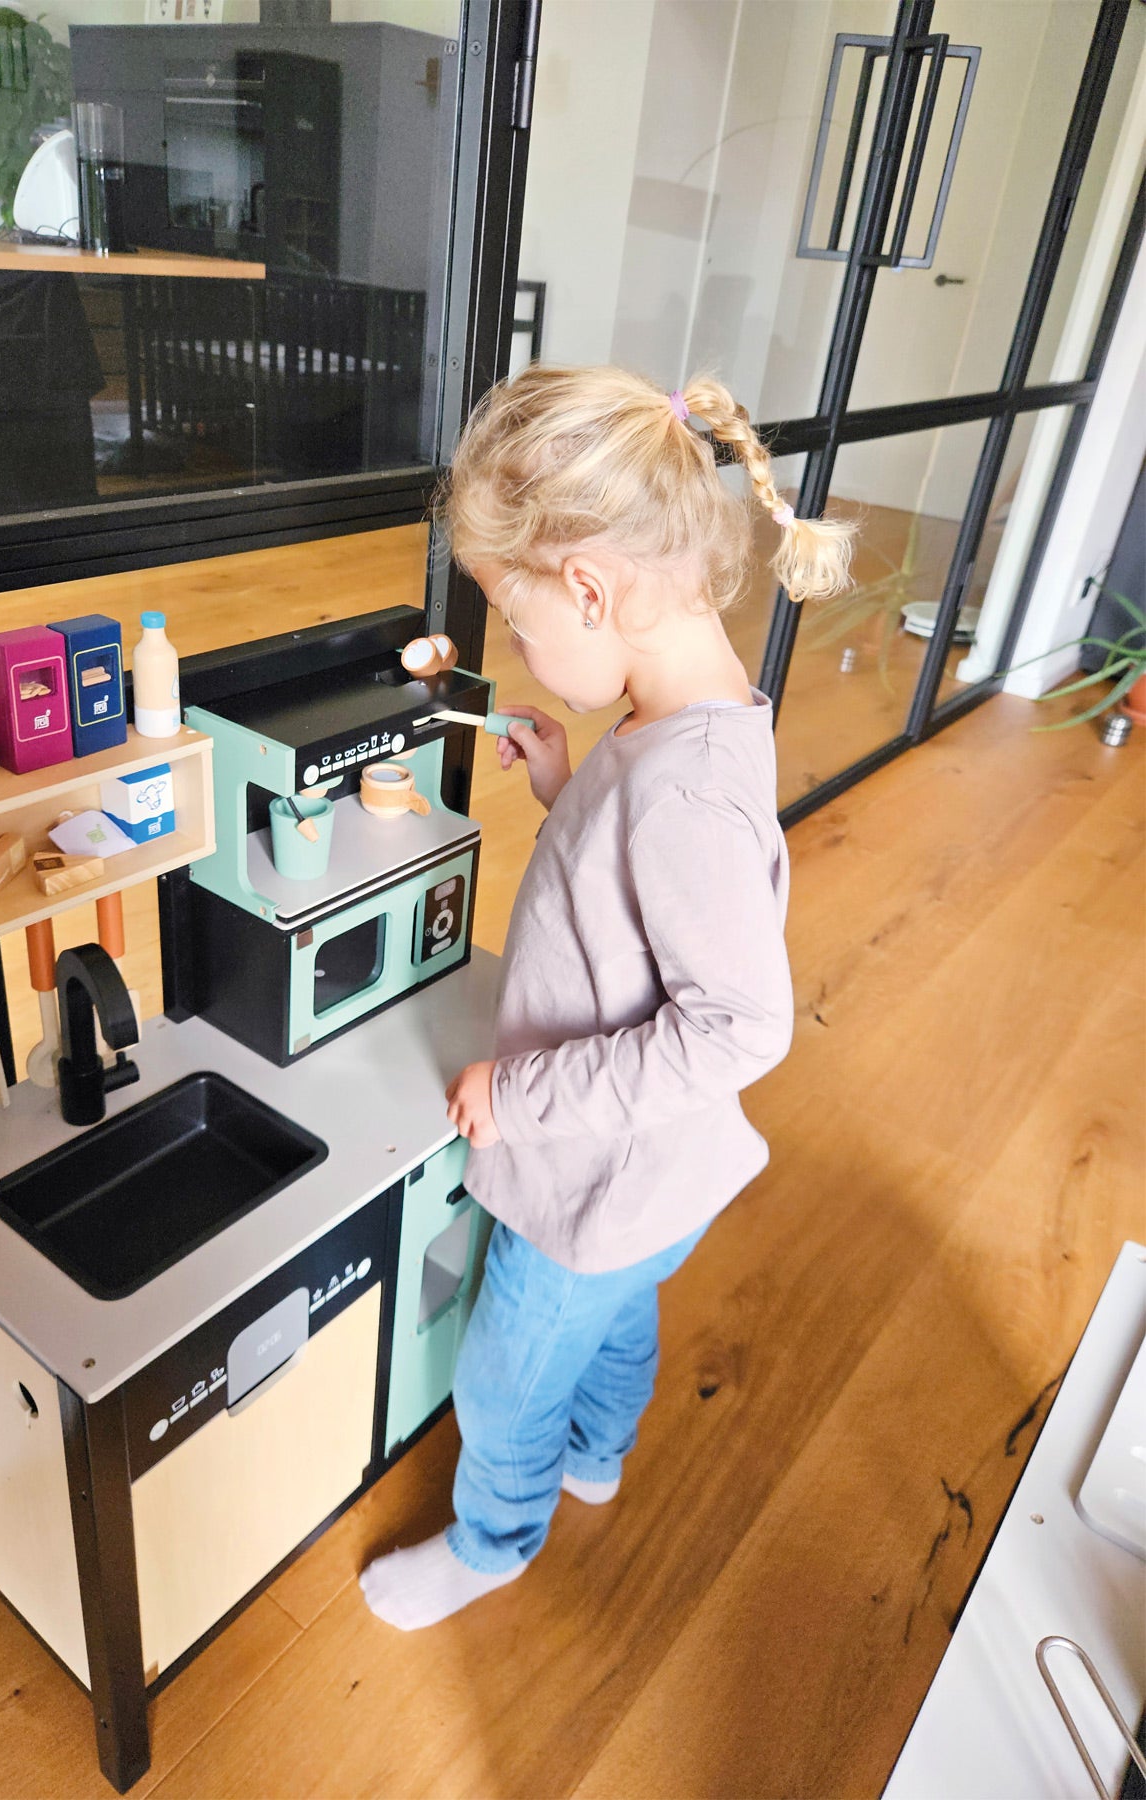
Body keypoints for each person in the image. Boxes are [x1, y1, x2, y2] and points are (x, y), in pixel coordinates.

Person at [360, 365, 854, 1631]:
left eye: (518, 625)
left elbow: (736, 1023)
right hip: (661, 1185)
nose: (519, 651)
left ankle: (495, 1538)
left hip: (593, 1172)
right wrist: (568, 788)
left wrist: (517, 1093)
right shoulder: (682, 716)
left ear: (589, 586)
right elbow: (641, 883)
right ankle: (600, 1453)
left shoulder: (682, 788)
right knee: (621, 1316)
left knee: (504, 1372)